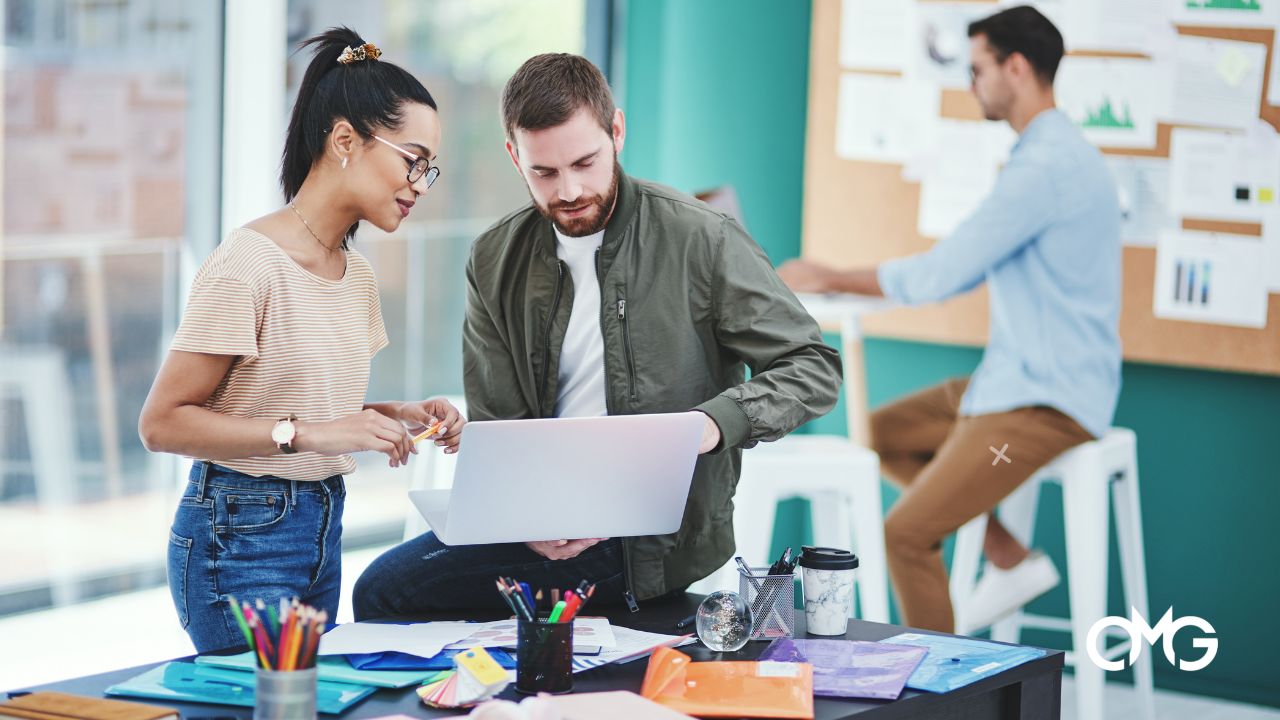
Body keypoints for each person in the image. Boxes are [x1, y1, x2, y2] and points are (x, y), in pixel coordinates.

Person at [352, 53, 843, 619]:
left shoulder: (701, 239)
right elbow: (500, 418)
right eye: (545, 172)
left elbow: (813, 366)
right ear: (515, 156)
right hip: (540, 514)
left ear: (617, 131)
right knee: (384, 589)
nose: (569, 190)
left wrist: (711, 424)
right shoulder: (493, 258)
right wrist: (526, 515)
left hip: (649, 542)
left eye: (585, 162)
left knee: (386, 593)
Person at [778, 6, 1121, 634]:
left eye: (977, 69)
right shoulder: (1056, 152)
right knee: (878, 434)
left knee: (906, 535)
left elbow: (940, 275)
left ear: (1015, 68)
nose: (971, 83)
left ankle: (946, 694)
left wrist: (828, 276)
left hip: (1045, 399)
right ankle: (1007, 555)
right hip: (1016, 379)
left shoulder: (1044, 168)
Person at [138, 27, 464, 652]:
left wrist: (394, 415)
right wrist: (311, 434)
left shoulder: (356, 274)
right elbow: (162, 424)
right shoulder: (248, 263)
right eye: (411, 159)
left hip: (321, 525)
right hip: (240, 535)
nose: (422, 183)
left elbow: (299, 403)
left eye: (430, 167)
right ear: (346, 139)